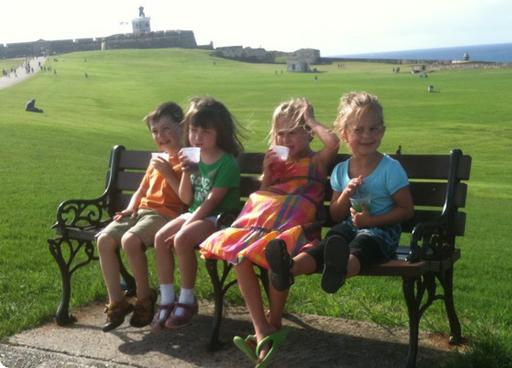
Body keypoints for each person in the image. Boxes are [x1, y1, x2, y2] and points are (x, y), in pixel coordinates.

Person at [200, 98, 339, 366]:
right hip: (258, 218)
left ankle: (273, 322)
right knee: (238, 257)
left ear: (308, 133)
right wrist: (267, 171)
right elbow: (264, 188)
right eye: (281, 134)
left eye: (293, 133)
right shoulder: (277, 160)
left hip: (293, 221)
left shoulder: (317, 161)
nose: (286, 140)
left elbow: (333, 143)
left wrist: (310, 119)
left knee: (278, 256)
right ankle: (262, 328)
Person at [265, 91, 414, 302]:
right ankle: (289, 268)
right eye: (359, 130)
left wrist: (372, 221)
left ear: (382, 131)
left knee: (363, 243)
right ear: (345, 134)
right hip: (349, 227)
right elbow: (335, 213)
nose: (367, 136)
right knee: (331, 240)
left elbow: (407, 210)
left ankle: (340, 270)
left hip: (382, 232)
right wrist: (346, 194)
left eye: (373, 129)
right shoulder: (341, 171)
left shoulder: (390, 169)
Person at [151, 97, 244, 332]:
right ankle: (167, 297)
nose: (197, 137)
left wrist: (185, 226)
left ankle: (187, 298)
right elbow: (186, 199)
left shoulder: (227, 163)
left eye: (205, 132)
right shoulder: (193, 156)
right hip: (195, 213)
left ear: (219, 133)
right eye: (193, 130)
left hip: (220, 218)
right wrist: (185, 171)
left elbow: (211, 203)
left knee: (182, 239)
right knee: (160, 239)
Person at [96, 102, 186, 332]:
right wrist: (131, 207)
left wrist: (168, 171)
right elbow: (141, 189)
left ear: (182, 127)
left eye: (166, 128)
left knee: (130, 240)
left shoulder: (187, 160)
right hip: (141, 212)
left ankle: (145, 298)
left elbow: (187, 199)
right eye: (155, 131)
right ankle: (117, 301)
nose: (160, 136)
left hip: (166, 215)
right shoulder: (156, 159)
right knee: (104, 240)